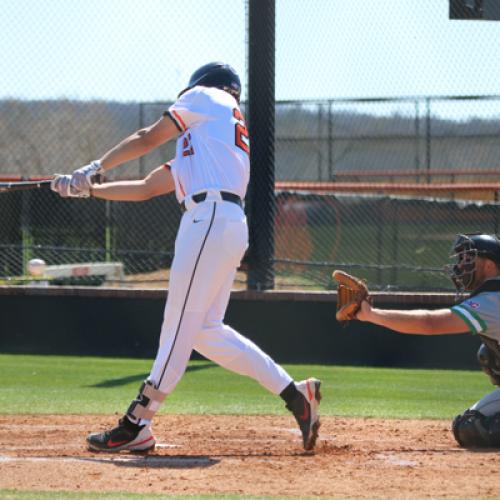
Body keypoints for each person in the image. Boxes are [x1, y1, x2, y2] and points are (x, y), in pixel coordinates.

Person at [51, 62, 321, 452]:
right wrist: (87, 189)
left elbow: (147, 137)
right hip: (225, 220)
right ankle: (296, 396)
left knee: (177, 326)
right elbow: (146, 187)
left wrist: (93, 167)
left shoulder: (205, 97)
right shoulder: (212, 142)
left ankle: (136, 424)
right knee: (207, 331)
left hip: (208, 219)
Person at [355, 233, 500, 448]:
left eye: (468, 259)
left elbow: (430, 323)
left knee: (473, 427)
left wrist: (371, 314)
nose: (460, 266)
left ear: (489, 266)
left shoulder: (491, 300)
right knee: (488, 355)